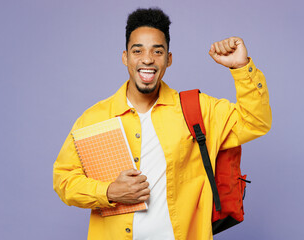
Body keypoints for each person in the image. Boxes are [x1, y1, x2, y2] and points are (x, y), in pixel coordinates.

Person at [53, 7, 272, 240]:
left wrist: (240, 67)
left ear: (168, 59)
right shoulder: (94, 119)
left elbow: (256, 121)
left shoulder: (196, 109)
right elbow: (64, 180)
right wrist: (108, 191)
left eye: (157, 51)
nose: (147, 59)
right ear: (125, 57)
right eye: (138, 51)